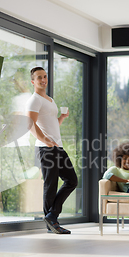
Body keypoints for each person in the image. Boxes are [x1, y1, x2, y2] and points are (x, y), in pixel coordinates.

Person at [26, 67, 78, 234]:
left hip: (57, 146)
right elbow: (30, 124)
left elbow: (51, 124)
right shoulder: (34, 100)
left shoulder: (49, 100)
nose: (43, 80)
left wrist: (61, 118)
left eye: (45, 76)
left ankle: (52, 216)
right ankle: (51, 221)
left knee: (72, 180)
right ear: (33, 81)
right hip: (46, 148)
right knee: (51, 184)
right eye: (39, 77)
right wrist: (44, 140)